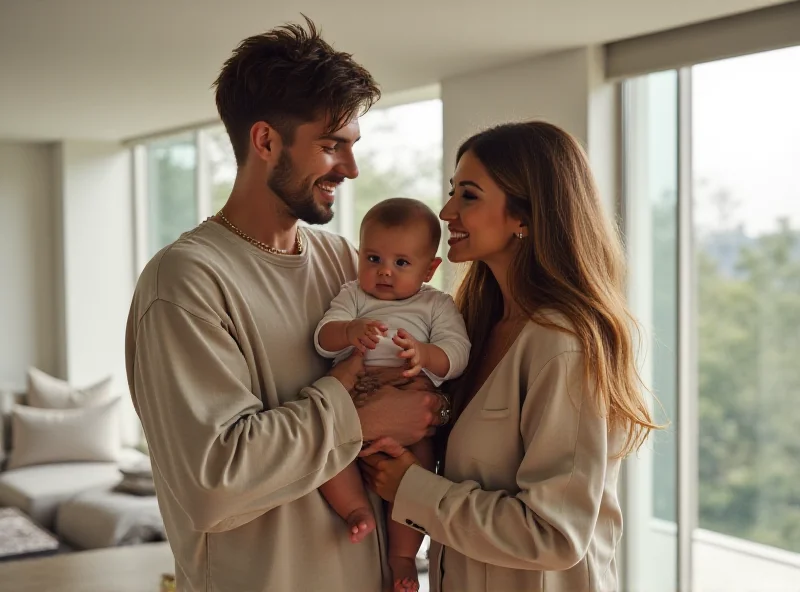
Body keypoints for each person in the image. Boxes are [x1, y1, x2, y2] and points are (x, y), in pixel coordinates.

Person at [125, 18, 446, 592]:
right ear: (266, 141)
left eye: (352, 147)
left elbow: (411, 402)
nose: (350, 169)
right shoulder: (185, 282)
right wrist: (361, 416)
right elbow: (214, 482)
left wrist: (428, 409)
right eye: (331, 146)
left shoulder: (343, 260)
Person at [360, 121, 659, 592]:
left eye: (469, 195)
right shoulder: (472, 327)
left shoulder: (562, 345)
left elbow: (555, 533)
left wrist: (411, 488)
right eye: (452, 191)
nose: (446, 211)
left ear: (525, 215)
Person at [315, 198, 470, 592]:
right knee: (329, 456)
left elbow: (456, 355)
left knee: (416, 473)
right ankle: (356, 511)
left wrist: (424, 354)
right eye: (373, 258)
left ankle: (402, 557)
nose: (384, 271)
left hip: (409, 401)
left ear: (430, 268)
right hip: (355, 396)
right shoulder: (352, 297)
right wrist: (348, 332)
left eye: (401, 263)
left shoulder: (435, 305)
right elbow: (323, 338)